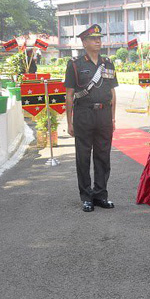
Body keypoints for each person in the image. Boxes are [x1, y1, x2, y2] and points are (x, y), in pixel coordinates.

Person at [64, 24, 118, 212]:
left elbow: (112, 93)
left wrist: (112, 118)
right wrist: (69, 122)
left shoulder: (108, 63)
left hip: (103, 115)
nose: (98, 41)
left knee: (103, 156)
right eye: (93, 38)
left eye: (99, 38)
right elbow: (69, 95)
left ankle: (101, 194)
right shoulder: (74, 65)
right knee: (83, 157)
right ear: (84, 42)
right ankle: (86, 196)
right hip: (83, 114)